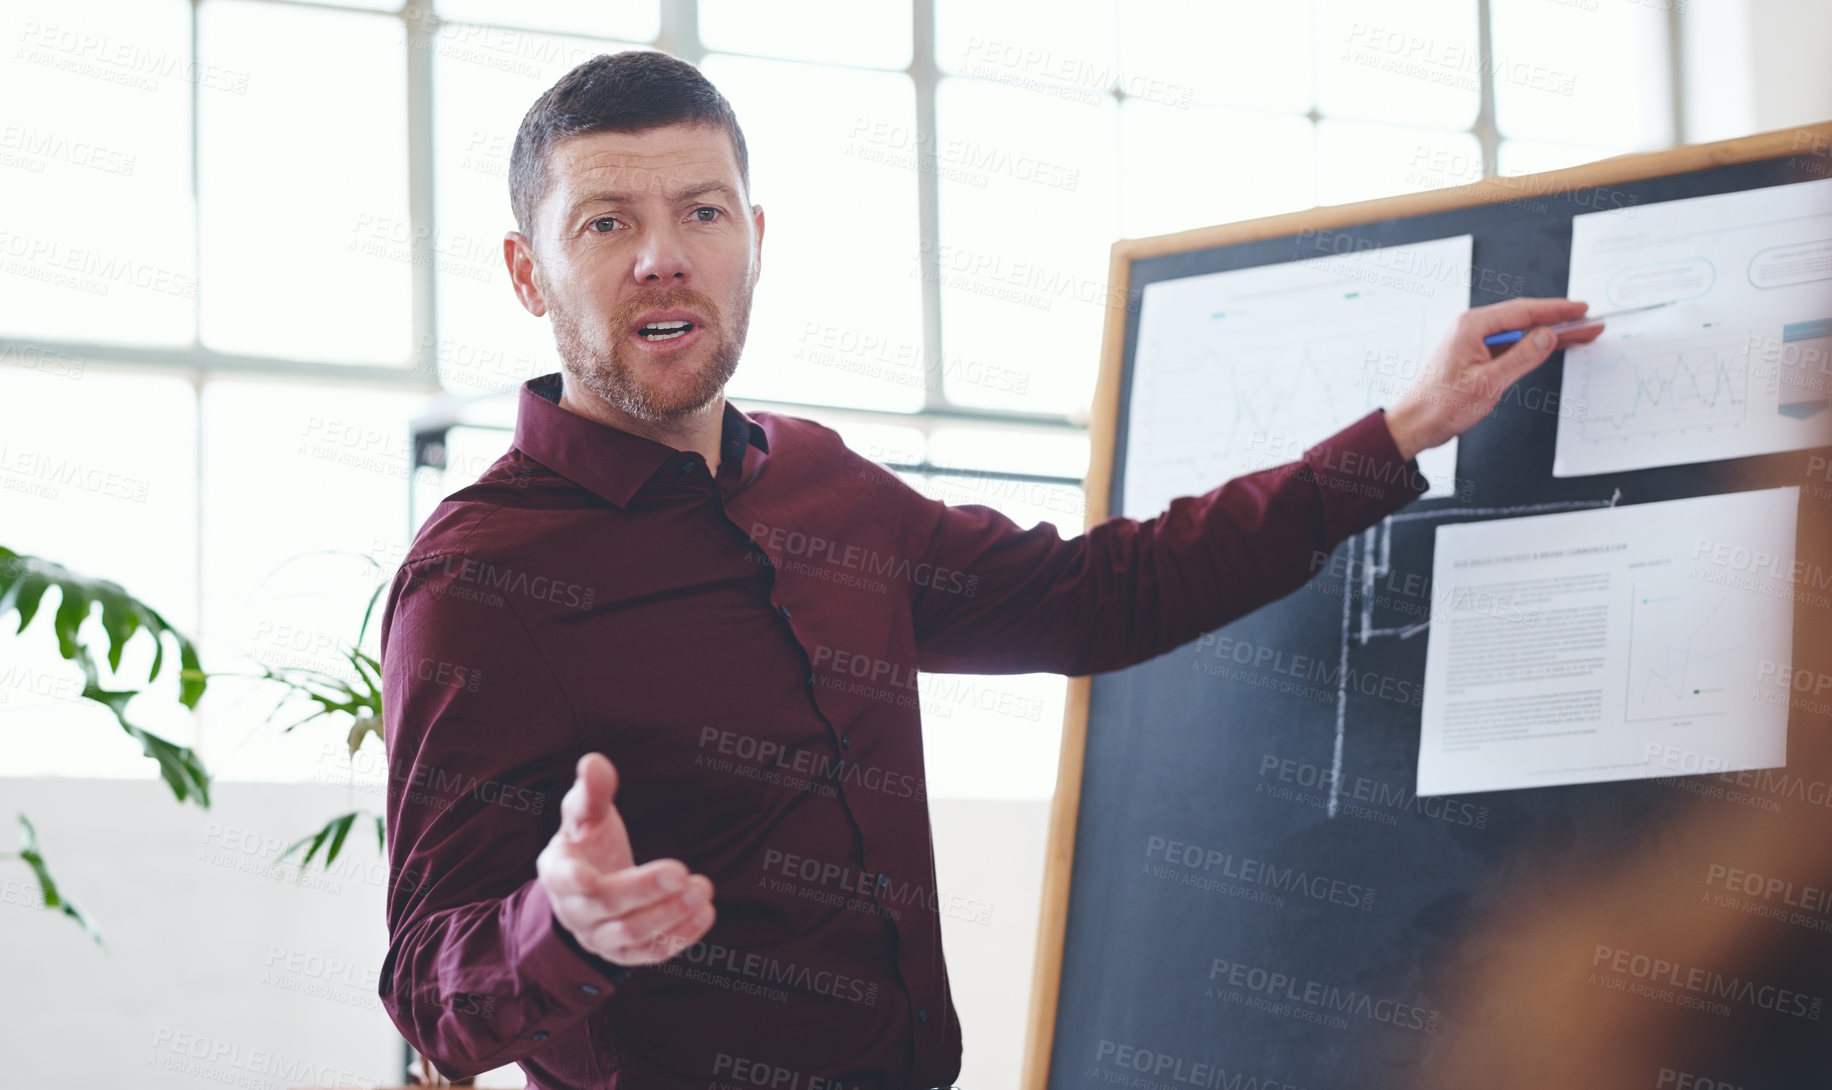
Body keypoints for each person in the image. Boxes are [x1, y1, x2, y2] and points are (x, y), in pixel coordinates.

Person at [376, 48, 1604, 1090]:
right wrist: (561, 925)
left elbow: (1103, 593)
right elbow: (427, 979)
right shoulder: (479, 581)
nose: (663, 257)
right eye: (607, 223)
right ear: (527, 271)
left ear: (752, 239)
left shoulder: (821, 484)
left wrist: (1394, 435)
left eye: (700, 212)